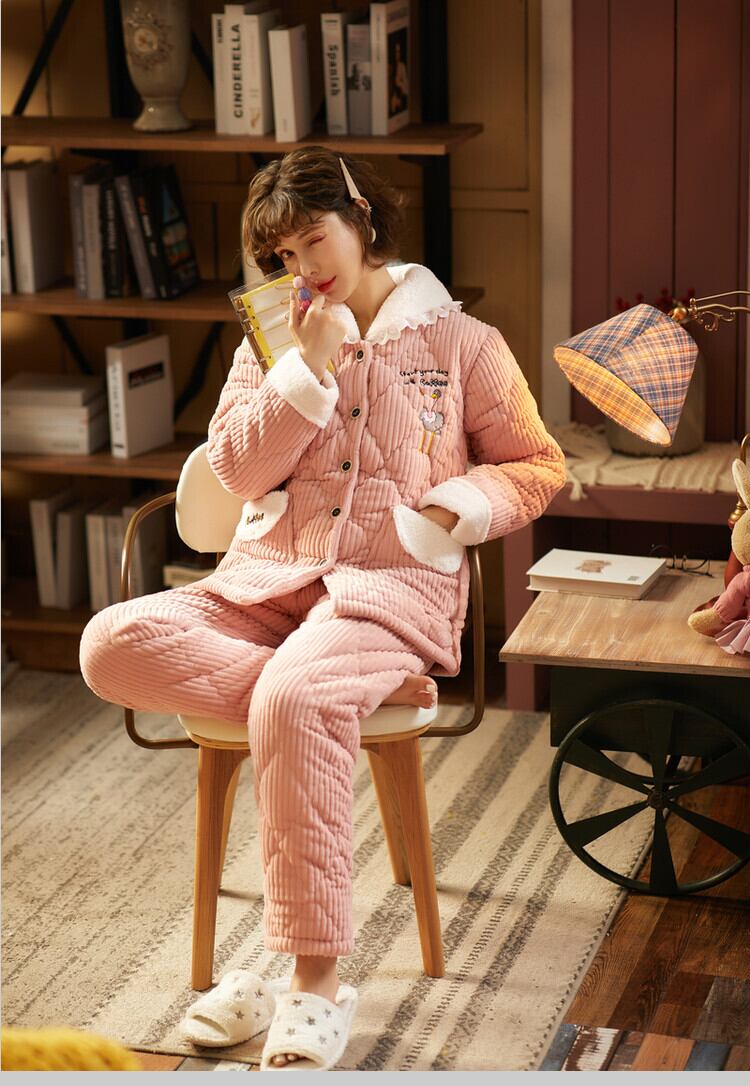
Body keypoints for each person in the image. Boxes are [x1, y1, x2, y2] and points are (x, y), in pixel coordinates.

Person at [79, 146, 566, 1070]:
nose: (304, 267)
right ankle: (329, 699)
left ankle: (310, 983)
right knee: (110, 644)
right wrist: (302, 370)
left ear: (362, 218)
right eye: (284, 256)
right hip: (264, 585)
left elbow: (538, 466)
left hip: (387, 592)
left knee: (296, 697)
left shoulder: (464, 343)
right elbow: (235, 472)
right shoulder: (269, 344)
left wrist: (451, 510)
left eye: (315, 240)